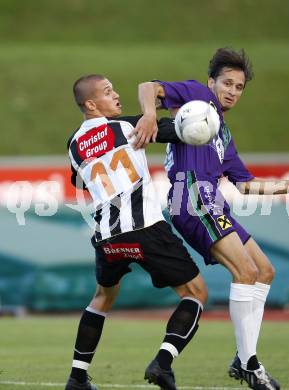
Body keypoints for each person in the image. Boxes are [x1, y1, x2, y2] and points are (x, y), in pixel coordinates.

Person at [132, 47, 289, 390]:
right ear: (212, 82)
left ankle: (244, 358)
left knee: (265, 270)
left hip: (214, 202)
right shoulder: (198, 96)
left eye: (239, 87)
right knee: (246, 272)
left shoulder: (222, 134)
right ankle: (250, 363)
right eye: (227, 83)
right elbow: (149, 87)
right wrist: (149, 115)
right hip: (191, 195)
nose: (232, 91)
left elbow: (248, 186)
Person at [65, 74, 207, 390]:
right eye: (107, 91)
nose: (116, 95)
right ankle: (163, 363)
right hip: (145, 228)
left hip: (107, 236)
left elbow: (81, 180)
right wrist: (205, 121)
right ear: (90, 104)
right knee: (196, 293)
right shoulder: (128, 128)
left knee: (102, 297)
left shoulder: (73, 144)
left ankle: (76, 377)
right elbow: (181, 130)